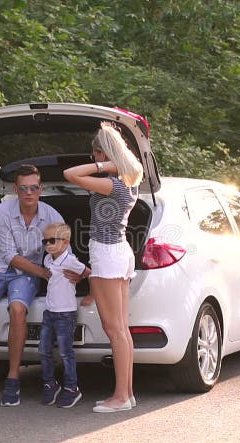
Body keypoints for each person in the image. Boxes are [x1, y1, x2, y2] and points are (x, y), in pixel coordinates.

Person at [0, 164, 64, 407]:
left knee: (18, 310)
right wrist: (43, 273)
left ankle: (13, 379)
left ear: (41, 189)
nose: (28, 192)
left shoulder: (53, 217)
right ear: (16, 189)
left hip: (24, 275)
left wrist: (68, 273)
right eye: (23, 188)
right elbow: (8, 255)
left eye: (33, 187)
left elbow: (62, 250)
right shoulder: (2, 212)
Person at [63, 121, 143, 413]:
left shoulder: (112, 183)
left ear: (103, 153)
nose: (92, 159)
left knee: (115, 328)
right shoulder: (129, 181)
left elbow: (69, 174)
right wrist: (110, 163)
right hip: (118, 252)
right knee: (121, 329)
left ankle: (121, 398)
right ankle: (127, 394)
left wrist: (102, 165)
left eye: (95, 153)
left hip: (109, 254)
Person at [38, 222, 91, 409]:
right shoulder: (48, 259)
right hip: (49, 313)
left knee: (65, 353)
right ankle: (50, 384)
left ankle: (71, 388)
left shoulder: (70, 261)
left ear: (66, 242)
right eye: (45, 241)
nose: (48, 245)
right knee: (43, 350)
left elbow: (89, 273)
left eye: (52, 240)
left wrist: (87, 289)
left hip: (65, 314)